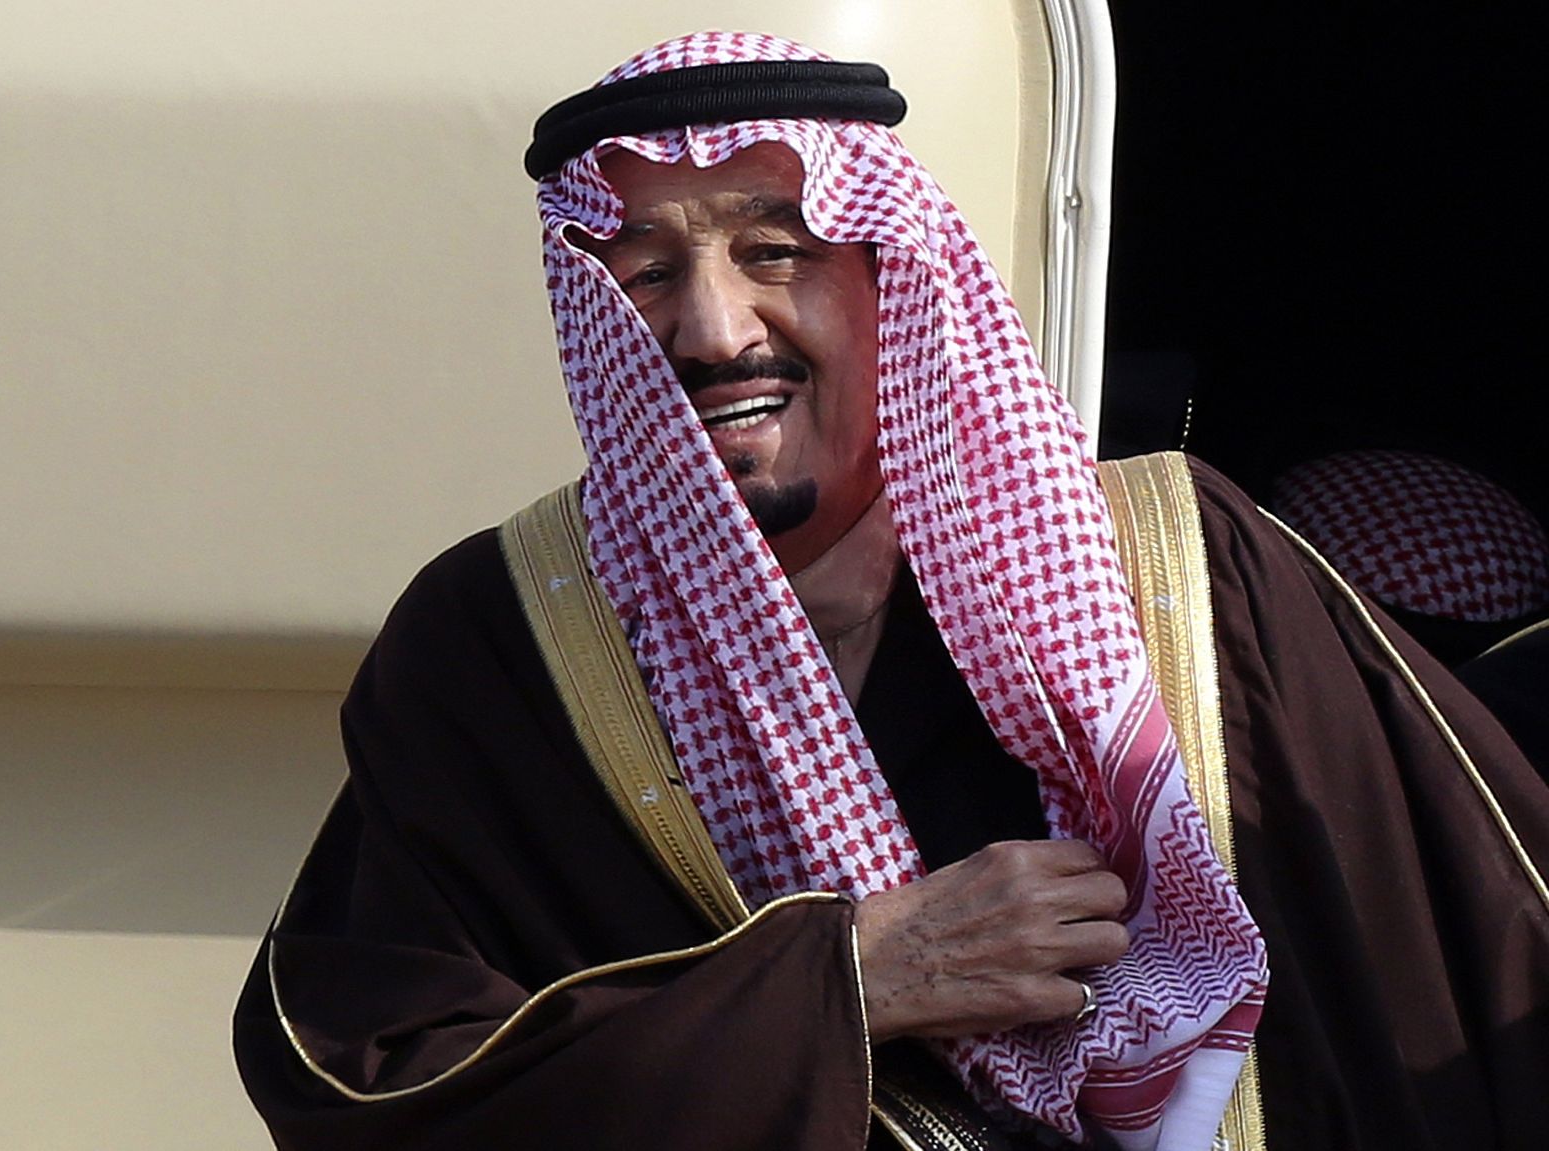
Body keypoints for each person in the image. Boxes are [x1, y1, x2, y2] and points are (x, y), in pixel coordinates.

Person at [234, 32, 1549, 1151]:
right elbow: (368, 1079)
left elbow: (1486, 944)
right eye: (645, 273)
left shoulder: (1184, 569)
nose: (714, 329)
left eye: (774, 248)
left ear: (890, 275)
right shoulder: (501, 642)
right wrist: (849, 981)